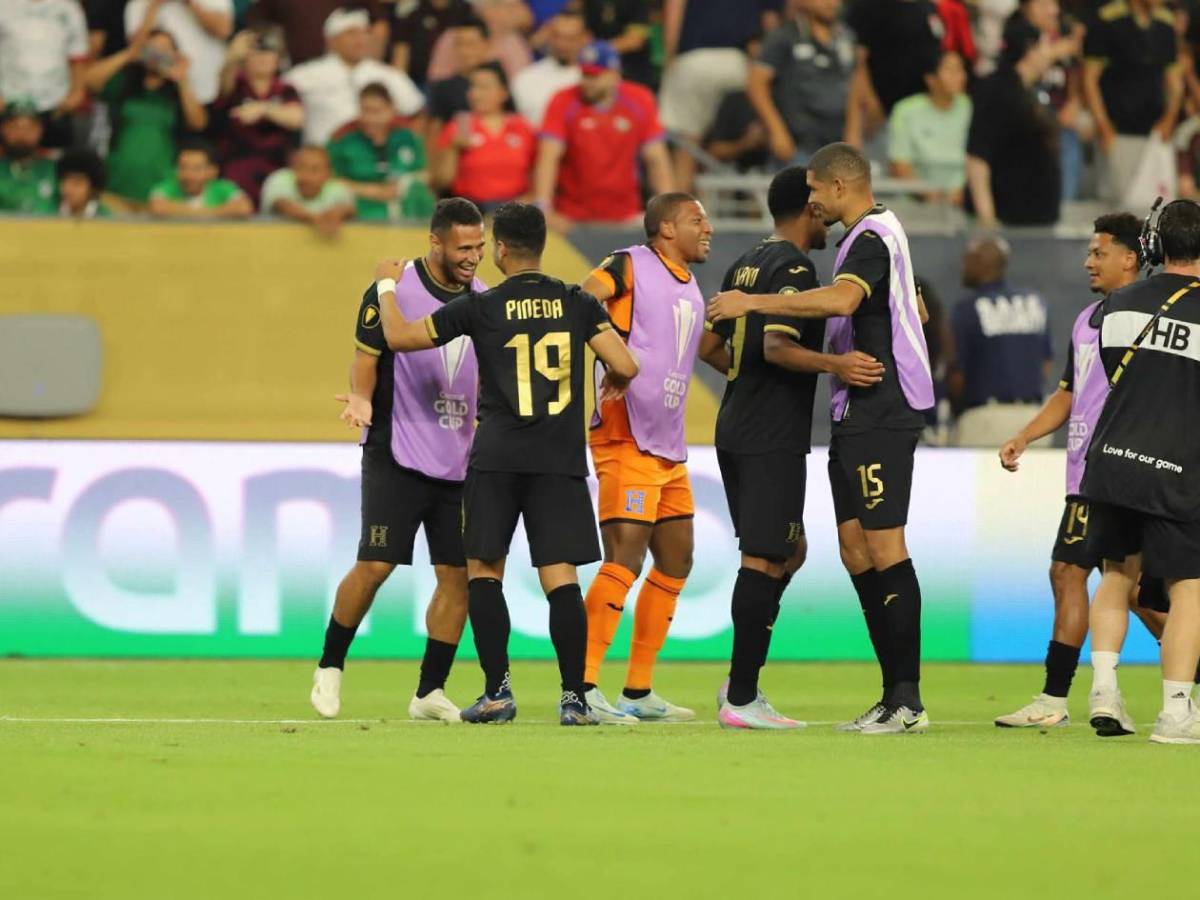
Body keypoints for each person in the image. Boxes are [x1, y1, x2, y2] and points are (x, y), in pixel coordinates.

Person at [375, 202, 640, 726]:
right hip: (558, 459)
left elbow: (400, 338)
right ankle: (574, 700)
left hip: (497, 458)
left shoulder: (483, 305)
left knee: (484, 570)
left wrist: (386, 286)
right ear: (541, 246)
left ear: (499, 248)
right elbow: (626, 362)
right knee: (560, 576)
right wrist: (618, 379)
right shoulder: (578, 301)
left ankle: (497, 693)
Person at [709, 142, 935, 734]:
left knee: (885, 547)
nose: (810, 200)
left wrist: (751, 302)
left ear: (840, 186)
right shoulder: (859, 241)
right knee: (855, 549)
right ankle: (891, 695)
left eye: (815, 189)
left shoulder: (870, 237)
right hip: (851, 411)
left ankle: (907, 699)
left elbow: (844, 300)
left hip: (881, 407)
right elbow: (865, 307)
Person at [311, 198, 488, 723]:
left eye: (479, 246)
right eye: (463, 247)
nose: (474, 257)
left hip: (459, 461)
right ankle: (330, 665)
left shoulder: (484, 300)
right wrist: (362, 400)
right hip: (397, 449)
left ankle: (429, 691)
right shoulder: (394, 287)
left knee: (458, 578)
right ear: (435, 242)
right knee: (376, 564)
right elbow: (368, 356)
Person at [995, 213, 1145, 728]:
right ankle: (1062, 700)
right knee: (1130, 592)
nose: (1088, 261)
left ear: (1130, 258)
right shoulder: (1087, 319)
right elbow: (1069, 393)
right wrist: (1026, 434)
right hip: (1084, 472)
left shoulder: (1146, 320)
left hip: (1116, 473)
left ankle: (1055, 700)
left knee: (1077, 574)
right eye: (1088, 252)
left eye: (1099, 252)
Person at [578, 193, 723, 724]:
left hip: (667, 442)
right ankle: (583, 685)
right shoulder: (628, 264)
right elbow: (582, 299)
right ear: (665, 228)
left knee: (677, 558)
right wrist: (612, 351)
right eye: (695, 220)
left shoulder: (690, 283)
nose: (706, 228)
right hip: (625, 434)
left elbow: (704, 350)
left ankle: (637, 691)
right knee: (625, 558)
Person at [1082, 199, 1200, 744]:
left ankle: (1105, 689)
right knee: (1189, 588)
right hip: (1178, 466)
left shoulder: (1119, 304)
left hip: (1113, 459)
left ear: (1153, 247)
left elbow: (1115, 375)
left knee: (1116, 575)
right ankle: (1176, 711)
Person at [534, 41, 673, 230]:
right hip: (572, 217)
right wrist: (543, 208)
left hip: (625, 215)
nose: (587, 82)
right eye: (584, 74)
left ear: (614, 75)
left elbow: (656, 159)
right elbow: (549, 157)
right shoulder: (563, 101)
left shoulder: (640, 100)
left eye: (595, 75)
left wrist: (668, 211)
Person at [85, 27, 208, 205]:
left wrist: (182, 79)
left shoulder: (176, 94)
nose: (157, 55)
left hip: (162, 191)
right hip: (118, 184)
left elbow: (198, 123)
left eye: (164, 50)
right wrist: (128, 54)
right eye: (152, 49)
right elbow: (90, 82)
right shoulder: (125, 84)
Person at [948, 237, 1053, 444]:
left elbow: (957, 376)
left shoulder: (967, 309)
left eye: (968, 259)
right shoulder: (1034, 302)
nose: (964, 266)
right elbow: (1046, 365)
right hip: (1034, 417)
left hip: (986, 419)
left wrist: (959, 411)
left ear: (982, 262)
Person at [1083, 0, 1181, 204]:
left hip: (1156, 133)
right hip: (1118, 130)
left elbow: (1174, 81)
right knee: (1117, 206)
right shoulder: (1108, 20)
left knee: (1157, 204)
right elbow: (1089, 79)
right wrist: (1103, 126)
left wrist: (1170, 118)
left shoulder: (1165, 24)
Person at [965, 27, 1061, 227]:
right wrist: (988, 221)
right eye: (1045, 46)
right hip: (1007, 219)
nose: (1050, 53)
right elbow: (977, 157)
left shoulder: (1032, 90)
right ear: (1030, 50)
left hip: (1037, 219)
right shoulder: (995, 90)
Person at [286, 8, 424, 147]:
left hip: (377, 161)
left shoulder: (388, 75)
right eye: (351, 33)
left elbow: (415, 111)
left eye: (364, 32)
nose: (360, 39)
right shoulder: (305, 75)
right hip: (322, 159)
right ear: (332, 40)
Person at [749, 0, 858, 166]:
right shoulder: (783, 36)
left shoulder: (847, 37)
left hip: (837, 146)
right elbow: (756, 85)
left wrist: (853, 132)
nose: (830, 3)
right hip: (798, 144)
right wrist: (777, 130)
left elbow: (855, 88)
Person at [213, 29, 304, 208]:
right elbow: (224, 85)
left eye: (269, 53)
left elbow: (297, 118)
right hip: (237, 170)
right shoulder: (236, 84)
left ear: (278, 59)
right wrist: (232, 57)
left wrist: (263, 109)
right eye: (256, 53)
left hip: (276, 170)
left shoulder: (285, 89)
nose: (263, 58)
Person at [434, 63, 536, 211]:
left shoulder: (522, 127)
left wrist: (528, 201)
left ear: (503, 93)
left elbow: (537, 175)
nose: (476, 93)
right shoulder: (460, 125)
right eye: (473, 87)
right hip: (470, 211)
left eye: (484, 87)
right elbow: (441, 181)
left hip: (515, 211)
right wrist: (453, 148)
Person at [328, 82, 434, 223]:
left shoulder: (408, 137)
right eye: (365, 110)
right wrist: (378, 192)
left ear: (392, 109)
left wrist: (402, 185)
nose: (370, 118)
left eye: (377, 112)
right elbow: (331, 181)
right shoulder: (342, 139)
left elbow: (424, 175)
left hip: (403, 205)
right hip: (358, 208)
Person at [0, 0, 89, 148]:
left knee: (55, 158)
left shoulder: (68, 8)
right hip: (8, 99)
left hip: (55, 101)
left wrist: (77, 91)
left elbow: (78, 54)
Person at [888, 48, 971, 205]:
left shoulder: (972, 109)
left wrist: (965, 194)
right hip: (917, 202)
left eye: (961, 69)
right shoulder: (906, 111)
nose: (959, 76)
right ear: (930, 79)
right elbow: (900, 166)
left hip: (964, 201)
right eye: (950, 70)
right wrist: (932, 196)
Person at [124, 0, 234, 105]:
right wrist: (154, 6)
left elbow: (223, 30)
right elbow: (135, 52)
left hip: (211, 92)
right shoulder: (136, 5)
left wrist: (190, 3)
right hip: (164, 103)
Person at [251, 0, 388, 66]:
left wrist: (368, 68)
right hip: (299, 69)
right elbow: (257, 25)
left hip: (349, 71)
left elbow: (380, 26)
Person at [511, 10, 585, 126]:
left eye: (570, 38)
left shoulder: (593, 80)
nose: (562, 44)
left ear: (584, 39)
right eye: (557, 36)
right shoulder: (526, 79)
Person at [260, 145, 356, 235]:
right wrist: (314, 219)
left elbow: (348, 209)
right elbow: (283, 205)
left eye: (315, 170)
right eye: (301, 167)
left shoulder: (337, 187)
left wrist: (337, 213)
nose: (306, 176)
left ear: (328, 174)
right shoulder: (279, 179)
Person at [147, 139, 254, 218]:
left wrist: (195, 213)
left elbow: (244, 207)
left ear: (212, 171)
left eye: (196, 169)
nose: (189, 175)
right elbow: (157, 207)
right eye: (183, 167)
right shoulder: (168, 186)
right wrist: (212, 212)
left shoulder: (222, 187)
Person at [424, 18, 493, 137]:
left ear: (486, 45)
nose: (464, 51)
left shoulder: (500, 84)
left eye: (471, 44)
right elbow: (434, 134)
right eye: (459, 44)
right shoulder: (442, 88)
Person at [388, 0, 473, 85]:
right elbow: (401, 49)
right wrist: (400, 83)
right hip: (414, 79)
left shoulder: (464, 9)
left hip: (452, 79)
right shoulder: (412, 9)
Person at [0, 103, 58, 215]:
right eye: (15, 126)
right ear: (4, 130)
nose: (21, 134)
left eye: (29, 127)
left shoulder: (55, 170)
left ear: (40, 130)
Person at [582, 0, 653, 88]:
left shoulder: (638, 2)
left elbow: (636, 40)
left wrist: (601, 52)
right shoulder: (592, 2)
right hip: (598, 74)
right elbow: (586, 33)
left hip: (632, 73)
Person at [57, 148, 111, 218]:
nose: (67, 189)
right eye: (65, 181)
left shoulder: (107, 219)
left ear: (92, 187)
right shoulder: (48, 212)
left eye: (76, 183)